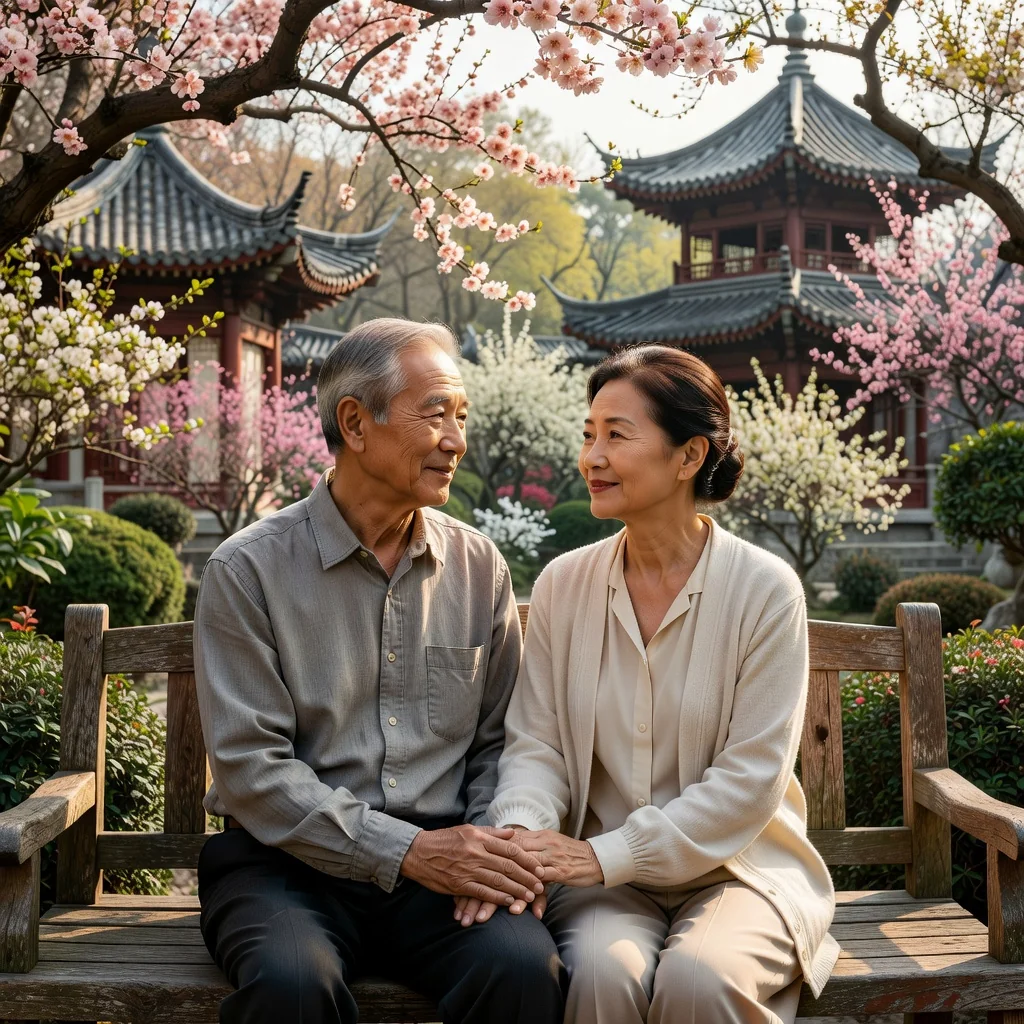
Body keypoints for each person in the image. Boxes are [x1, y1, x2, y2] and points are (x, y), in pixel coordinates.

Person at [193, 318, 565, 1024]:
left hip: (450, 867)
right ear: (356, 425)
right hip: (286, 868)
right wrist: (408, 851)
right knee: (292, 988)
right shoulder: (247, 570)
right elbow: (251, 769)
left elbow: (501, 742)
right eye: (435, 415)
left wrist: (489, 854)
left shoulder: (478, 565)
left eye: (462, 416)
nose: (456, 439)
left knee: (525, 970)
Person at [487, 345, 838, 1024]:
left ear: (689, 457)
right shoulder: (565, 583)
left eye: (617, 435)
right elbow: (537, 746)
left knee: (699, 982)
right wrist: (524, 842)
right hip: (604, 885)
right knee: (602, 977)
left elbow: (751, 781)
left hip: (742, 871)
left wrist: (602, 854)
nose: (592, 456)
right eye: (589, 434)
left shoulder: (765, 590)